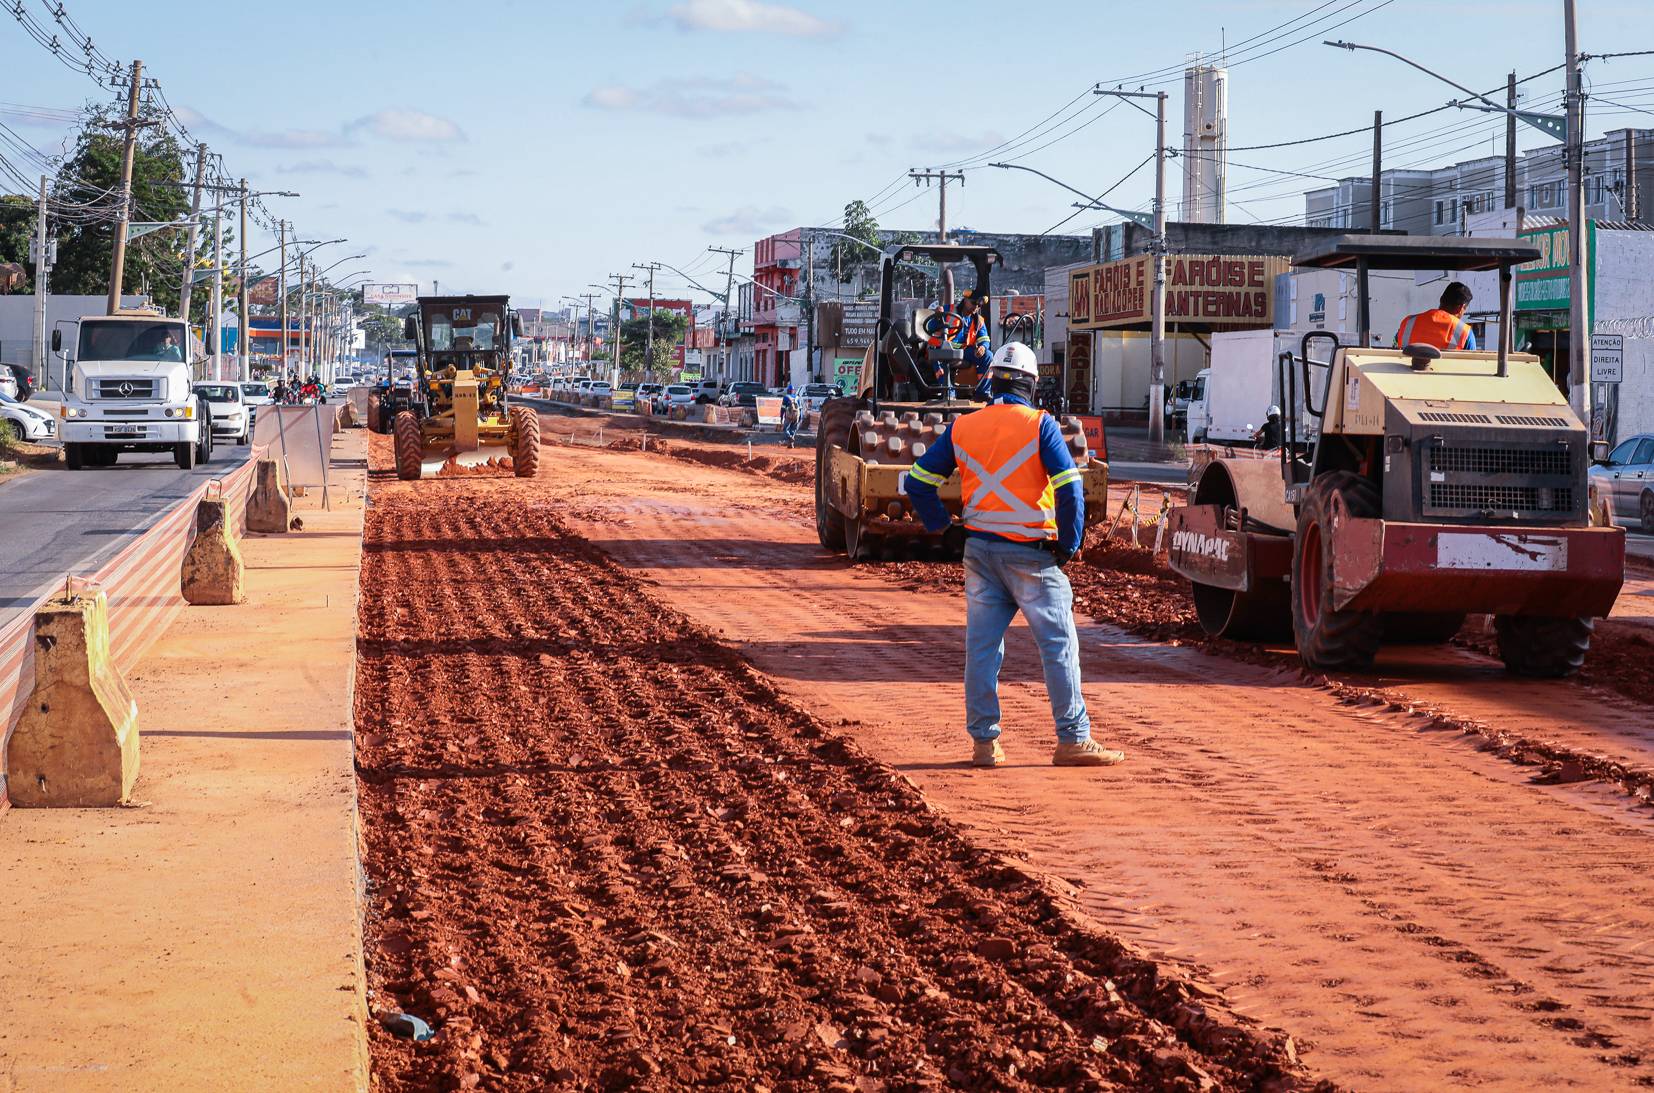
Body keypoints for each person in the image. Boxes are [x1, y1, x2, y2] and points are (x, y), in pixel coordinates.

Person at [906, 342, 1126, 769]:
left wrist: (944, 530)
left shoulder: (964, 427)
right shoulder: (1040, 425)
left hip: (980, 552)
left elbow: (917, 482)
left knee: (983, 649)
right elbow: (1070, 487)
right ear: (1030, 384)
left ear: (993, 380)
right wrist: (1069, 544)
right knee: (1058, 645)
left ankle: (985, 745)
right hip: (1031, 556)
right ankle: (1073, 739)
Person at [1395, 281, 1478, 351]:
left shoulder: (1408, 323)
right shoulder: (1464, 333)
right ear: (1461, 308)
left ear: (1441, 299)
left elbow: (1394, 349)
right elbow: (1474, 367)